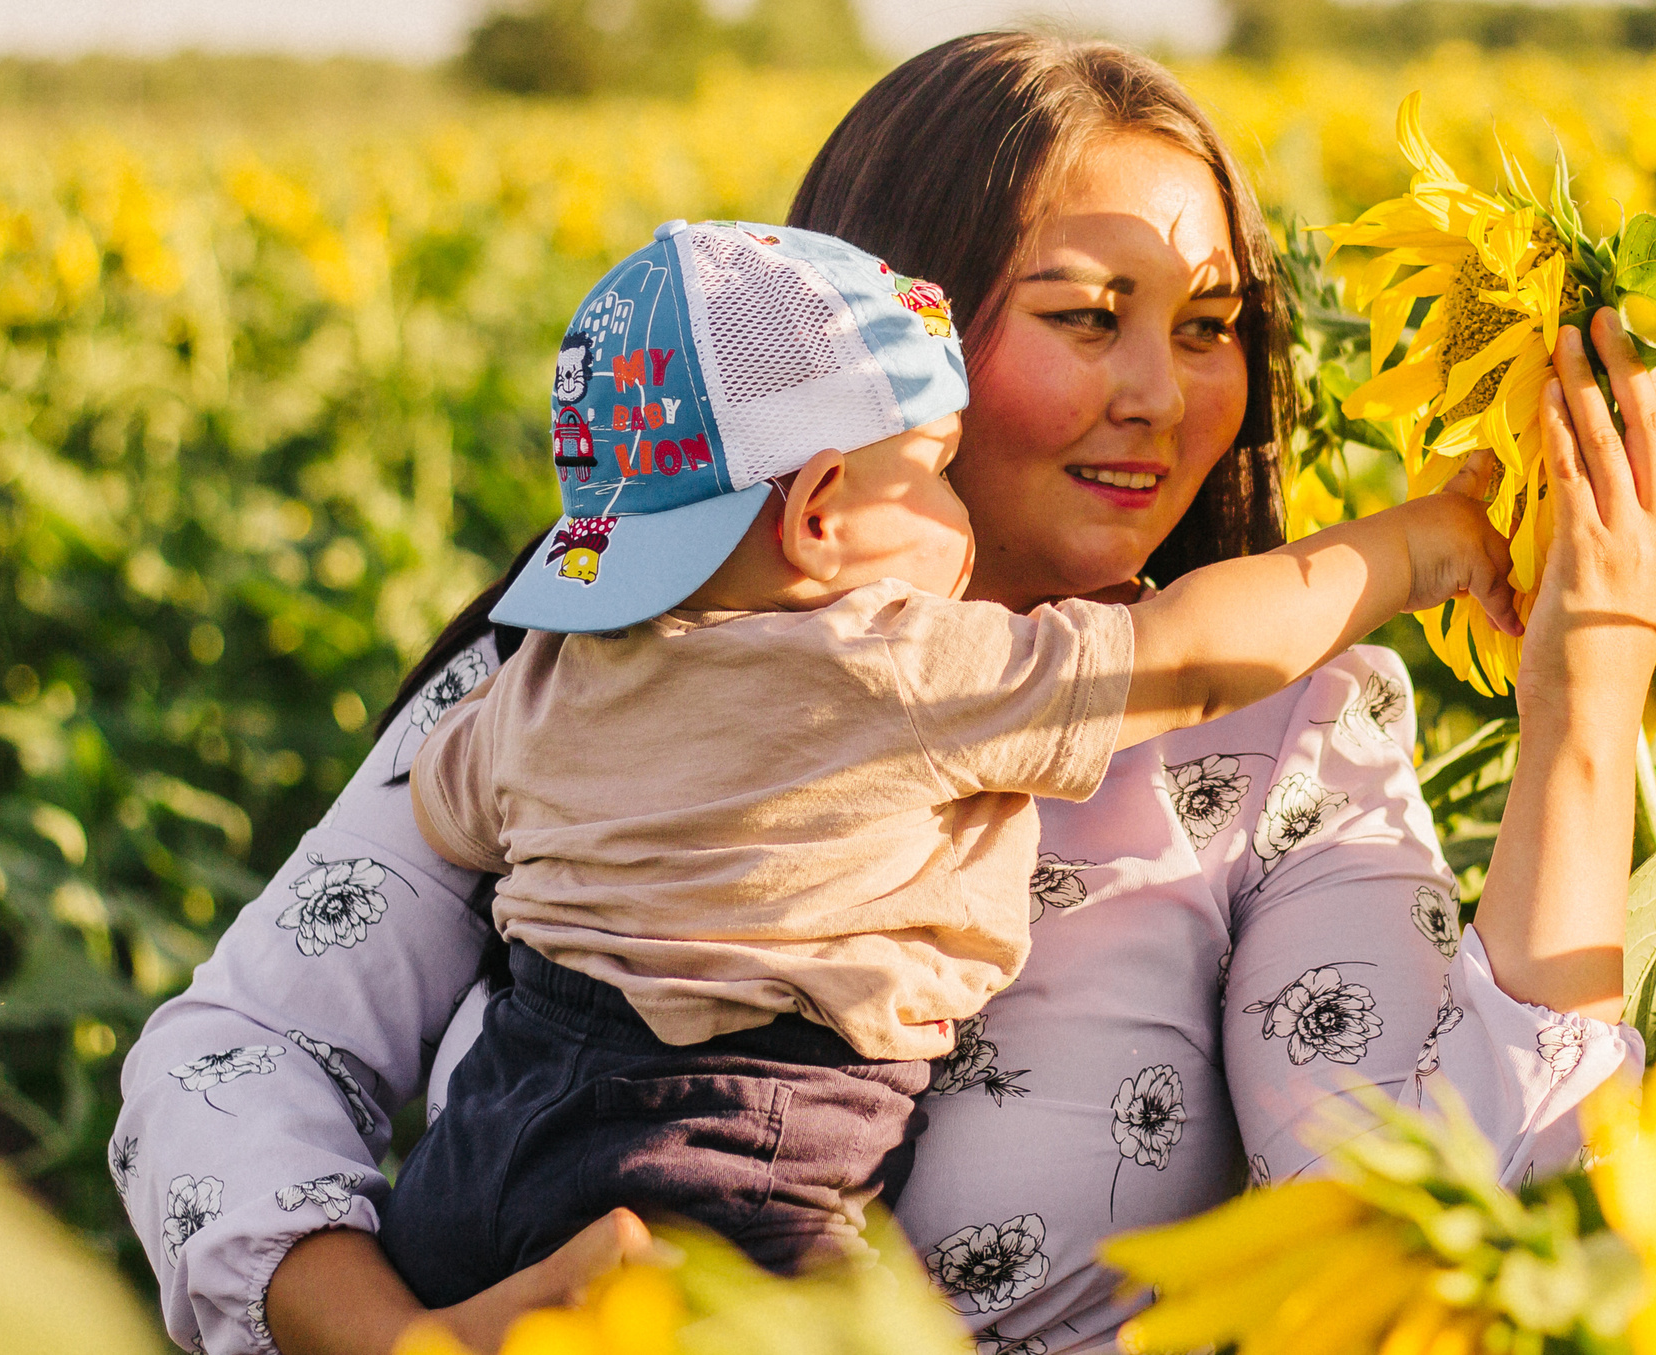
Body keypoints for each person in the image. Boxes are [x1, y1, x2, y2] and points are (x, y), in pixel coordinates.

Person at [115, 33, 1656, 1355]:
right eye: (1088, 317)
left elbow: (1431, 1223)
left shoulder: (1287, 736)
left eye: (1211, 327)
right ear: (893, 350)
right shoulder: (590, 655)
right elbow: (231, 1059)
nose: (1161, 389)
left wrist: (1592, 688)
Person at [380, 216, 1507, 1301]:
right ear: (820, 513)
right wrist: (1413, 551)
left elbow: (451, 810)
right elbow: (1184, 656)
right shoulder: (897, 664)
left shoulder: (544, 675)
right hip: (734, 1153)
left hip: (483, 1146)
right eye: (932, 471)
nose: (951, 506)